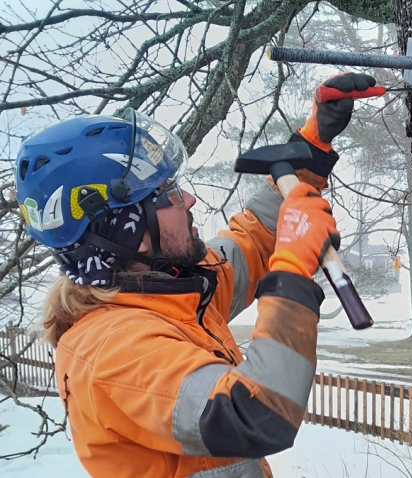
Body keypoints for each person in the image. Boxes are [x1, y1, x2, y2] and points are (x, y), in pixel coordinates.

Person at [13, 72, 377, 477]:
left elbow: (251, 241)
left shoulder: (172, 293)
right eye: (166, 193)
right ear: (126, 229)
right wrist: (291, 268)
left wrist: (313, 144)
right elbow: (253, 413)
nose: (188, 198)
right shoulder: (111, 353)